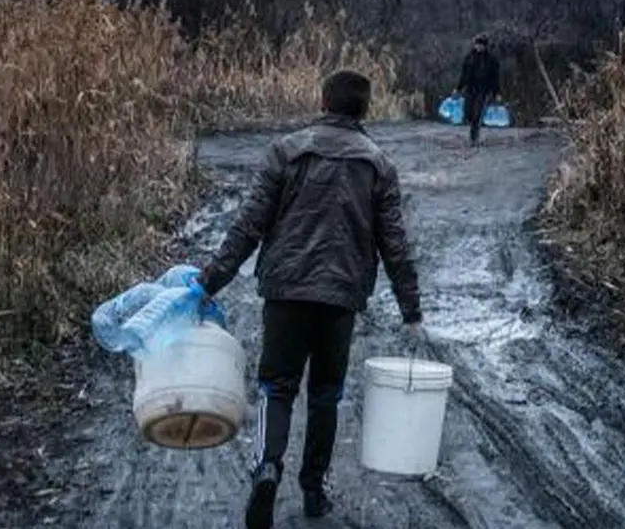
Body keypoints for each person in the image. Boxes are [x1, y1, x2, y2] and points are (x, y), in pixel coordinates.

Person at [198, 70, 424, 529]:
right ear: (365, 110)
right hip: (341, 296)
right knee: (326, 393)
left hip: (286, 289)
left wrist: (208, 282)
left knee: (277, 386)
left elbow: (249, 225)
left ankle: (267, 468)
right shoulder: (378, 164)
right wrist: (411, 309)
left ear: (323, 101)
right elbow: (394, 244)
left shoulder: (285, 151)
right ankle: (314, 489)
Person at [453, 33, 501, 146]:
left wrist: (497, 92)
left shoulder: (491, 59)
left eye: (481, 45)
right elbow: (464, 75)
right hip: (470, 88)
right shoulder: (469, 58)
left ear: (485, 46)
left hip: (483, 89)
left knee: (477, 113)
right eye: (477, 44)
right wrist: (458, 88)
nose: (479, 47)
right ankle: (473, 131)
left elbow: (495, 78)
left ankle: (474, 137)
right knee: (468, 112)